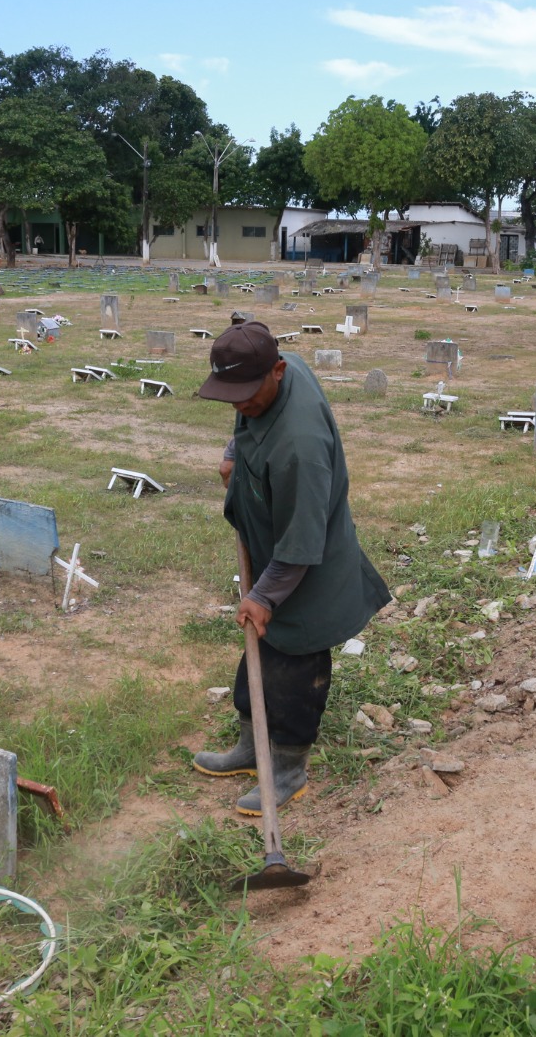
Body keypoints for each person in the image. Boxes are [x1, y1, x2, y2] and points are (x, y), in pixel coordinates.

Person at [192, 322, 391, 815]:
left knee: (296, 657)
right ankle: (250, 747)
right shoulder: (270, 370)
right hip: (276, 537)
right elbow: (246, 400)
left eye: (246, 395)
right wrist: (234, 452)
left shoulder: (300, 446)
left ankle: (287, 769)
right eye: (230, 395)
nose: (238, 405)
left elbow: (302, 542)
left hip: (308, 557)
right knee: (260, 646)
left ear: (277, 372)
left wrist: (264, 595)